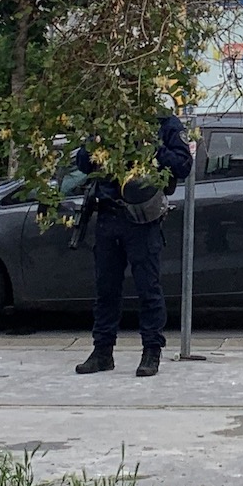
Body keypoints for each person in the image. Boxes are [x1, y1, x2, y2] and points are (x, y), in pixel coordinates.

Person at [73, 109, 194, 378]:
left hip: (142, 217)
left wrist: (153, 150)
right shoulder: (107, 118)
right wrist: (96, 142)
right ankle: (102, 351)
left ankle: (152, 351)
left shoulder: (162, 122)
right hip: (108, 213)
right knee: (106, 289)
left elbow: (183, 165)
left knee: (148, 288)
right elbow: (83, 162)